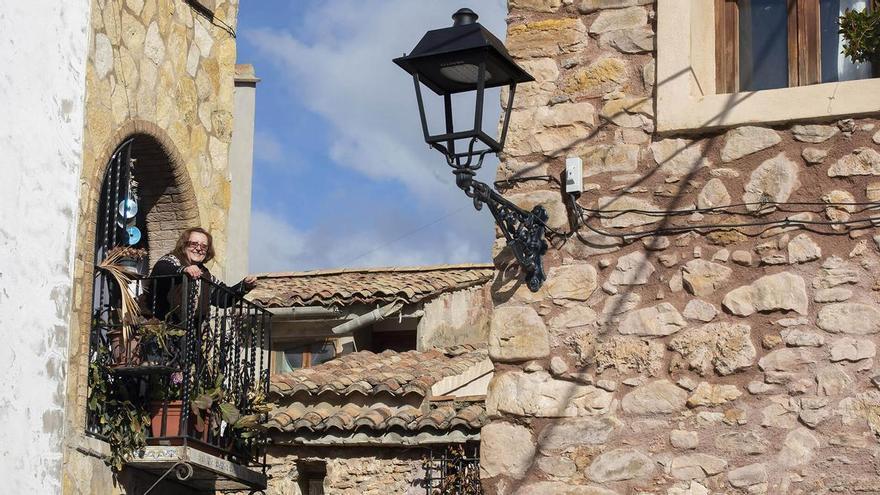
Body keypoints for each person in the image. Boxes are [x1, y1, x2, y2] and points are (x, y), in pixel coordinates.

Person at [149, 227, 257, 322]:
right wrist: (184, 270)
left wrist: (244, 286)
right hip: (159, 326)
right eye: (194, 244)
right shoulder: (172, 259)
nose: (199, 248)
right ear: (184, 245)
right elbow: (161, 269)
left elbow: (222, 297)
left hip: (189, 336)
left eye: (204, 246)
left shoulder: (205, 274)